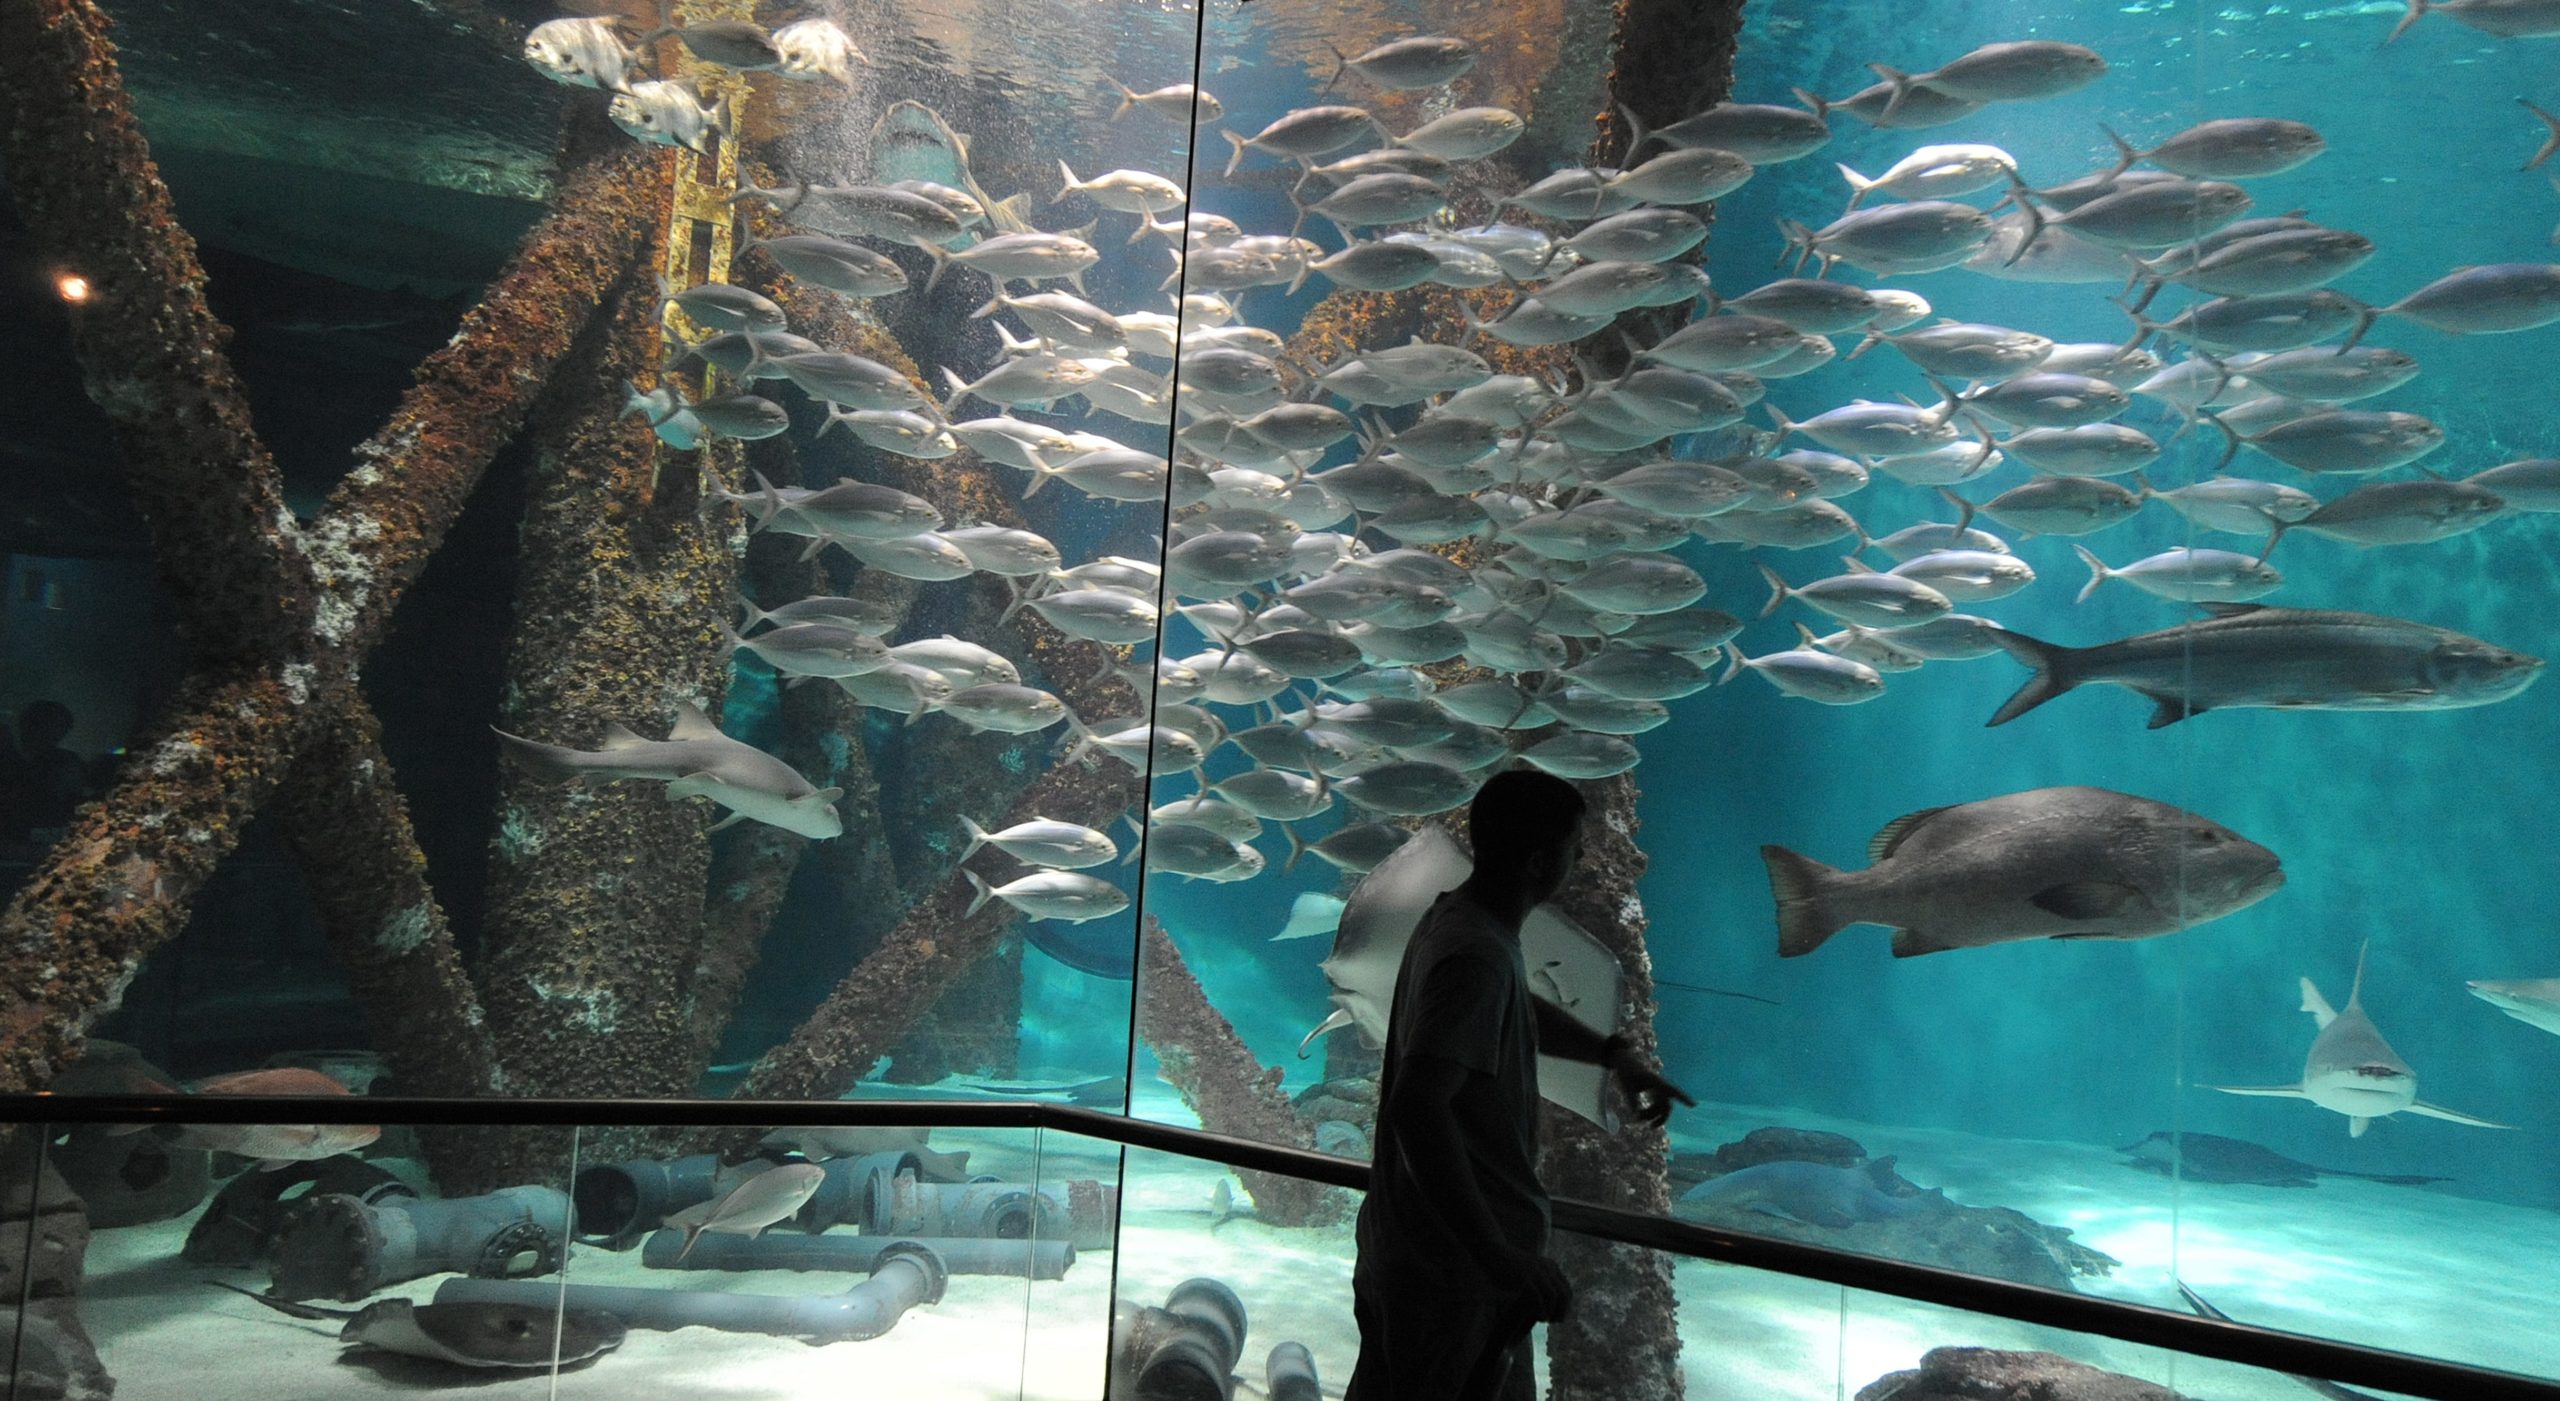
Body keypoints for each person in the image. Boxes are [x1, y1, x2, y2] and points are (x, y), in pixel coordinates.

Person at [1344, 770, 1695, 1401]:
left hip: (1439, 1259)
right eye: (1573, 845)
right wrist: (1499, 1255)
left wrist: (1613, 1054)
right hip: (1451, 1271)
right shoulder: (1474, 954)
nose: (1582, 857)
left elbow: (1513, 1010)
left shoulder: (1457, 921)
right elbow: (1418, 1109)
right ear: (1539, 860)